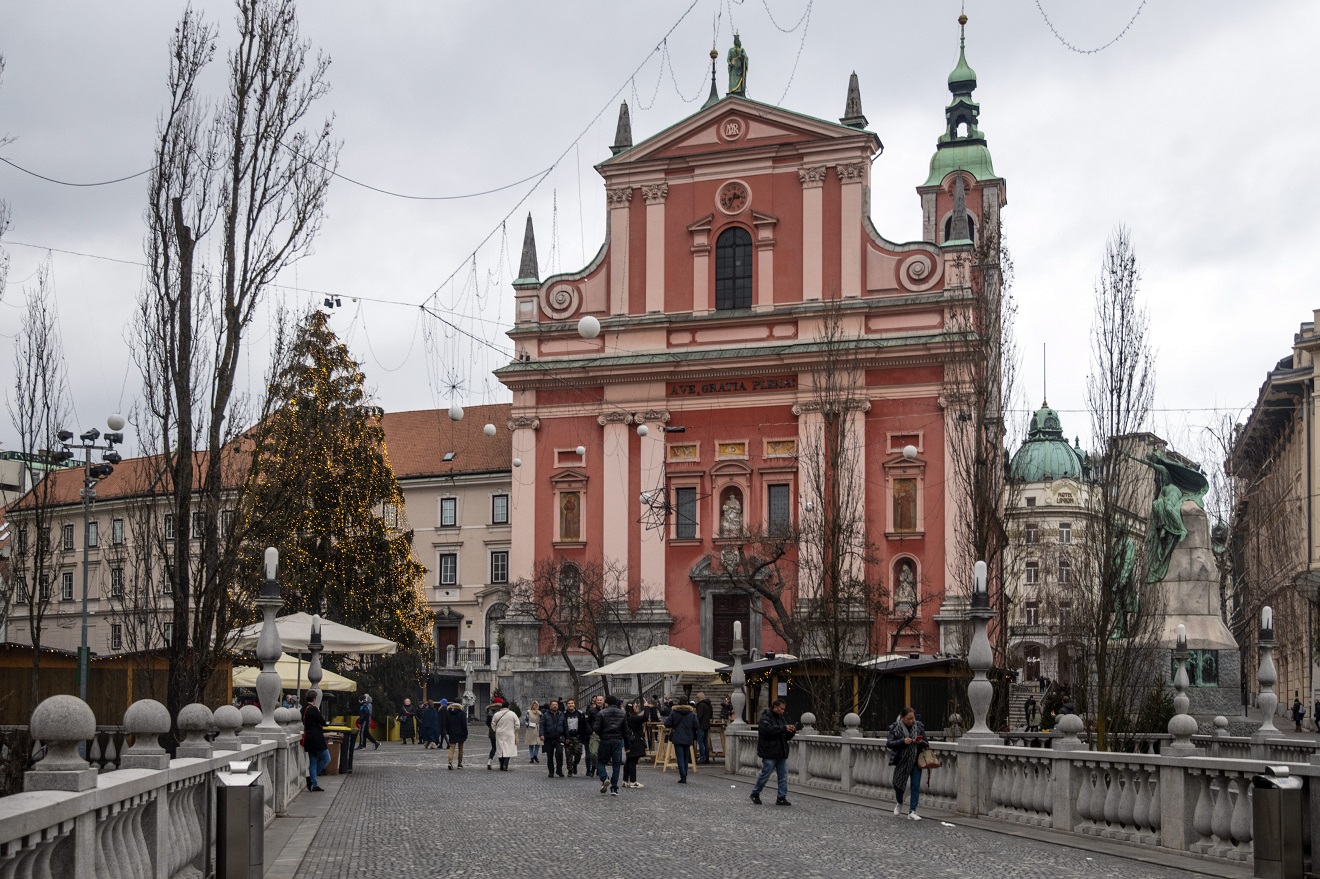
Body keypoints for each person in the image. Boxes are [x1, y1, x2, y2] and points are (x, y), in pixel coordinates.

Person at [748, 699, 796, 806]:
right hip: (769, 751)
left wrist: (791, 731)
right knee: (765, 774)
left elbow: (784, 736)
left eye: (784, 709)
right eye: (781, 708)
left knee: (783, 776)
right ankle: (755, 792)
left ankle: (781, 797)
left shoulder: (782, 719)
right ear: (775, 706)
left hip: (781, 752)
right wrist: (784, 728)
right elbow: (768, 730)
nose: (783, 711)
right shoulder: (765, 717)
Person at [887, 707, 927, 820]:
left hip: (915, 759)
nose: (912, 720)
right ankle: (899, 802)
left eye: (913, 718)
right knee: (897, 784)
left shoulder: (919, 726)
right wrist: (902, 741)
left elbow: (926, 743)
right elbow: (889, 743)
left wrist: (920, 742)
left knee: (915, 786)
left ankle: (912, 811)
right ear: (903, 718)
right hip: (901, 760)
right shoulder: (895, 727)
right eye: (909, 718)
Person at [593, 695, 627, 795]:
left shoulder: (602, 712)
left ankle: (604, 778)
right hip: (618, 739)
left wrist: (601, 734)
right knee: (616, 765)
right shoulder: (622, 713)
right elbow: (625, 730)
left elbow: (596, 728)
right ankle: (614, 788)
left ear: (606, 703)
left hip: (605, 739)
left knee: (601, 762)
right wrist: (627, 745)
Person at [664, 698, 700, 783]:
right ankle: (685, 774)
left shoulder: (674, 713)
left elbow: (667, 724)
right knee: (686, 756)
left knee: (680, 756)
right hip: (688, 737)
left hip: (678, 737)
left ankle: (683, 775)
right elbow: (697, 725)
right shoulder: (692, 714)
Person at [301, 691, 329, 792]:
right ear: (315, 699)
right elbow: (322, 722)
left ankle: (314, 784)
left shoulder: (303, 709)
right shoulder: (313, 709)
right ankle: (312, 779)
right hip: (316, 738)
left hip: (308, 737)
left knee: (313, 761)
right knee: (326, 758)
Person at [539, 699, 567, 778]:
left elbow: (565, 726)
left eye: (556, 705)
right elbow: (542, 726)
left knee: (559, 753)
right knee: (550, 755)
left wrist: (567, 737)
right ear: (550, 706)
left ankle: (559, 770)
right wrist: (541, 734)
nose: (555, 706)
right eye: (553, 705)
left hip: (559, 738)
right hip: (549, 738)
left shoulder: (561, 715)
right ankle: (551, 771)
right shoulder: (545, 715)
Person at [622, 702, 647, 789]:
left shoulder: (627, 717)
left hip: (629, 740)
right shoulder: (633, 718)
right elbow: (645, 718)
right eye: (636, 706)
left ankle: (625, 780)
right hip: (635, 741)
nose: (637, 708)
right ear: (632, 708)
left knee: (629, 760)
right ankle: (633, 781)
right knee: (633, 760)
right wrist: (647, 707)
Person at [563, 698, 589, 776]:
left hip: (578, 737)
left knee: (578, 754)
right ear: (567, 705)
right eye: (569, 703)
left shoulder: (580, 713)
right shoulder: (564, 714)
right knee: (568, 755)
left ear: (574, 704)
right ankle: (570, 770)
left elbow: (584, 725)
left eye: (572, 703)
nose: (571, 705)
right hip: (568, 737)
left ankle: (575, 764)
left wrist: (584, 736)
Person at [492, 700, 520, 771]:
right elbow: (517, 724)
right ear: (508, 706)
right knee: (508, 749)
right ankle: (505, 764)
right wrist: (514, 730)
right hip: (509, 733)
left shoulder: (497, 714)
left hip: (499, 733)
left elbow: (493, 724)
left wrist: (496, 730)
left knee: (500, 749)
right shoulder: (512, 714)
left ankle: (501, 764)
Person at [443, 699, 469, 769]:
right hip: (461, 732)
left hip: (452, 732)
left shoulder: (448, 712)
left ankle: (450, 762)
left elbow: (446, 724)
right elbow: (464, 724)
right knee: (461, 748)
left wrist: (448, 731)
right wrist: (466, 733)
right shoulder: (462, 713)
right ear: (460, 703)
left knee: (452, 748)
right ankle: (459, 763)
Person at [585, 694, 605, 777]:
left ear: (603, 701)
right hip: (595, 734)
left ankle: (600, 768)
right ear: (595, 701)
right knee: (593, 753)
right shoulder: (591, 711)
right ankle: (594, 766)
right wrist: (591, 731)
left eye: (601, 700)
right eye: (598, 700)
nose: (599, 701)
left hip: (604, 734)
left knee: (602, 753)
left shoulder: (606, 710)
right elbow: (587, 722)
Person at [484, 696, 504, 769]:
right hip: (500, 732)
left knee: (494, 748)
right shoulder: (502, 711)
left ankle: (489, 761)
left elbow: (487, 722)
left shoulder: (489, 710)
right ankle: (501, 764)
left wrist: (491, 727)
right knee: (500, 748)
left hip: (492, 731)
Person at [694, 691, 713, 764]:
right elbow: (711, 715)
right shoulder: (709, 705)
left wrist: (696, 722)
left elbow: (699, 716)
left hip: (701, 725)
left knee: (700, 742)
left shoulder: (701, 705)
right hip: (707, 725)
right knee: (705, 742)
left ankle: (702, 757)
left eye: (697, 697)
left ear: (700, 698)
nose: (696, 699)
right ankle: (707, 757)